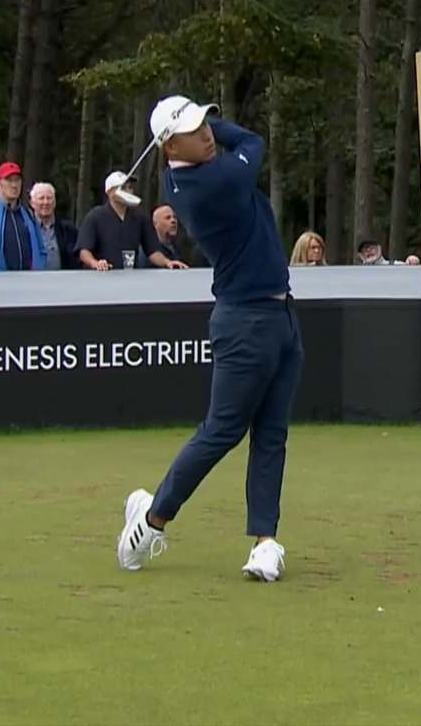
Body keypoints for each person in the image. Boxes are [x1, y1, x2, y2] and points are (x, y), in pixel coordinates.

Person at [117, 95, 302, 583]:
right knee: (222, 430)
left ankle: (265, 543)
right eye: (194, 131)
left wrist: (198, 123)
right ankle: (152, 520)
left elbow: (228, 144)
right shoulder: (213, 182)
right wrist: (217, 128)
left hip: (279, 313)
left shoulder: (182, 173)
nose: (206, 134)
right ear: (170, 146)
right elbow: (253, 141)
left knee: (272, 433)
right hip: (246, 321)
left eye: (206, 124)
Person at [75, 172, 185, 270]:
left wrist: (167, 262)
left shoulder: (140, 218)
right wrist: (95, 263)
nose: (128, 191)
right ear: (109, 192)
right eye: (123, 188)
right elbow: (84, 251)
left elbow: (152, 252)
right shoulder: (95, 216)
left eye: (130, 187)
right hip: (101, 277)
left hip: (130, 277)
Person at [29, 182, 80, 270]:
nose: (46, 202)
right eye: (41, 198)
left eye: (49, 198)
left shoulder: (68, 230)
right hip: (32, 277)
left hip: (63, 277)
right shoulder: (26, 229)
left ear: (54, 202)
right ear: (32, 203)